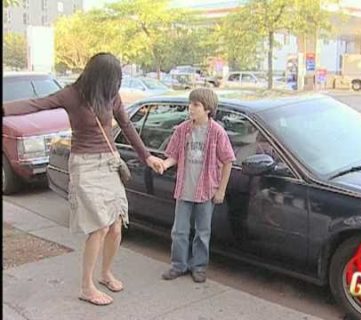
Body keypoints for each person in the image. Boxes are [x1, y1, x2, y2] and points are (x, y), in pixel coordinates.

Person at [3, 53, 164, 305]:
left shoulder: (111, 95)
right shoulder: (72, 94)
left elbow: (127, 126)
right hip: (85, 166)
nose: (117, 84)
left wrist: (147, 156)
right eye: (114, 79)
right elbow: (38, 104)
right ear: (100, 77)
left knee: (116, 225)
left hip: (109, 164)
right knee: (99, 227)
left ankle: (106, 273)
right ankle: (86, 286)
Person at [160, 88, 235, 283]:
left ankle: (199, 266)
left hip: (206, 190)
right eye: (190, 104)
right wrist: (164, 164)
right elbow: (173, 155)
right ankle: (178, 265)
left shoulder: (217, 132)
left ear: (207, 109)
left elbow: (228, 161)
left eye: (196, 105)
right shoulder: (183, 130)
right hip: (185, 189)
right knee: (179, 231)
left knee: (202, 232)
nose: (190, 108)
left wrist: (221, 189)